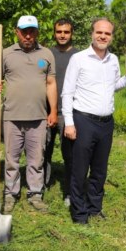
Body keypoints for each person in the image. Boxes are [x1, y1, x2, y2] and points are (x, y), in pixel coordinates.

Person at [62, 18, 126, 224]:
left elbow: (113, 85)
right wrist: (69, 122)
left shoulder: (113, 59)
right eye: (99, 32)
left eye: (107, 33)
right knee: (80, 169)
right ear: (92, 33)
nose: (103, 36)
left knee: (99, 169)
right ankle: (79, 214)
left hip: (106, 123)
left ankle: (94, 208)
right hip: (83, 120)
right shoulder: (79, 59)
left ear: (111, 36)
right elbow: (67, 92)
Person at [0, 15, 57, 213]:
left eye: (31, 31)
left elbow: (51, 83)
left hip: (38, 116)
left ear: (37, 32)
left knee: (36, 158)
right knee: (11, 159)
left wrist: (53, 110)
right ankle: (11, 194)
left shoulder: (46, 54)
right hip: (11, 116)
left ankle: (35, 194)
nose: (27, 35)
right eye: (24, 31)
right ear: (16, 32)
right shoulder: (6, 53)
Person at [44, 18, 77, 206]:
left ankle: (70, 192)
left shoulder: (78, 56)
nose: (62, 35)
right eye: (59, 32)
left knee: (70, 154)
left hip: (69, 113)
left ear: (71, 33)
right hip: (46, 111)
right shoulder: (46, 55)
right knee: (43, 150)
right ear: (54, 33)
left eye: (66, 32)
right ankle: (41, 186)